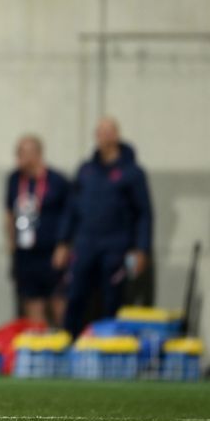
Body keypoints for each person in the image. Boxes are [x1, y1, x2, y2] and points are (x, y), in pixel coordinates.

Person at [55, 117, 153, 337]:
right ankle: (69, 344)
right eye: (100, 132)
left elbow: (144, 214)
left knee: (113, 299)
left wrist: (141, 249)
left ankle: (112, 348)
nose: (105, 136)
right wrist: (63, 242)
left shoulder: (132, 172)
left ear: (117, 135)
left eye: (109, 131)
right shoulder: (86, 170)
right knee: (75, 295)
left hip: (117, 245)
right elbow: (71, 208)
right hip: (85, 243)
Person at [5, 135, 69, 327]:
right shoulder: (15, 179)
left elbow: (69, 215)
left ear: (36, 154)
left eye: (22, 153)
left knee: (58, 301)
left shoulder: (57, 181)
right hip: (26, 252)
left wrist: (63, 245)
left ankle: (64, 343)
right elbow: (9, 214)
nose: (18, 158)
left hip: (50, 252)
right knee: (32, 302)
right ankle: (38, 348)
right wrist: (12, 246)